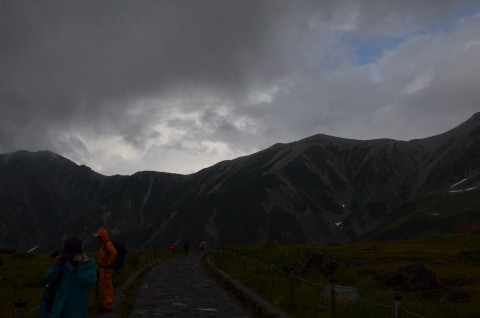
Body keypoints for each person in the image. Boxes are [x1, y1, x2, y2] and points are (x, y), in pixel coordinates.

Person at [41, 237, 97, 318]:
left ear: (80, 253)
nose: (69, 257)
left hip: (76, 311)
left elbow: (89, 281)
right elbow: (47, 278)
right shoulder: (63, 262)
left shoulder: (90, 264)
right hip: (58, 309)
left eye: (72, 255)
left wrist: (78, 267)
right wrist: (57, 265)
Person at [95, 228, 118, 314]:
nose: (97, 238)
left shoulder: (107, 243)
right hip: (103, 269)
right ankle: (105, 304)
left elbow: (114, 253)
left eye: (98, 237)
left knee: (107, 287)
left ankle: (108, 306)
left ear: (102, 237)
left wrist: (108, 263)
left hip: (106, 270)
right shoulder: (103, 244)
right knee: (104, 287)